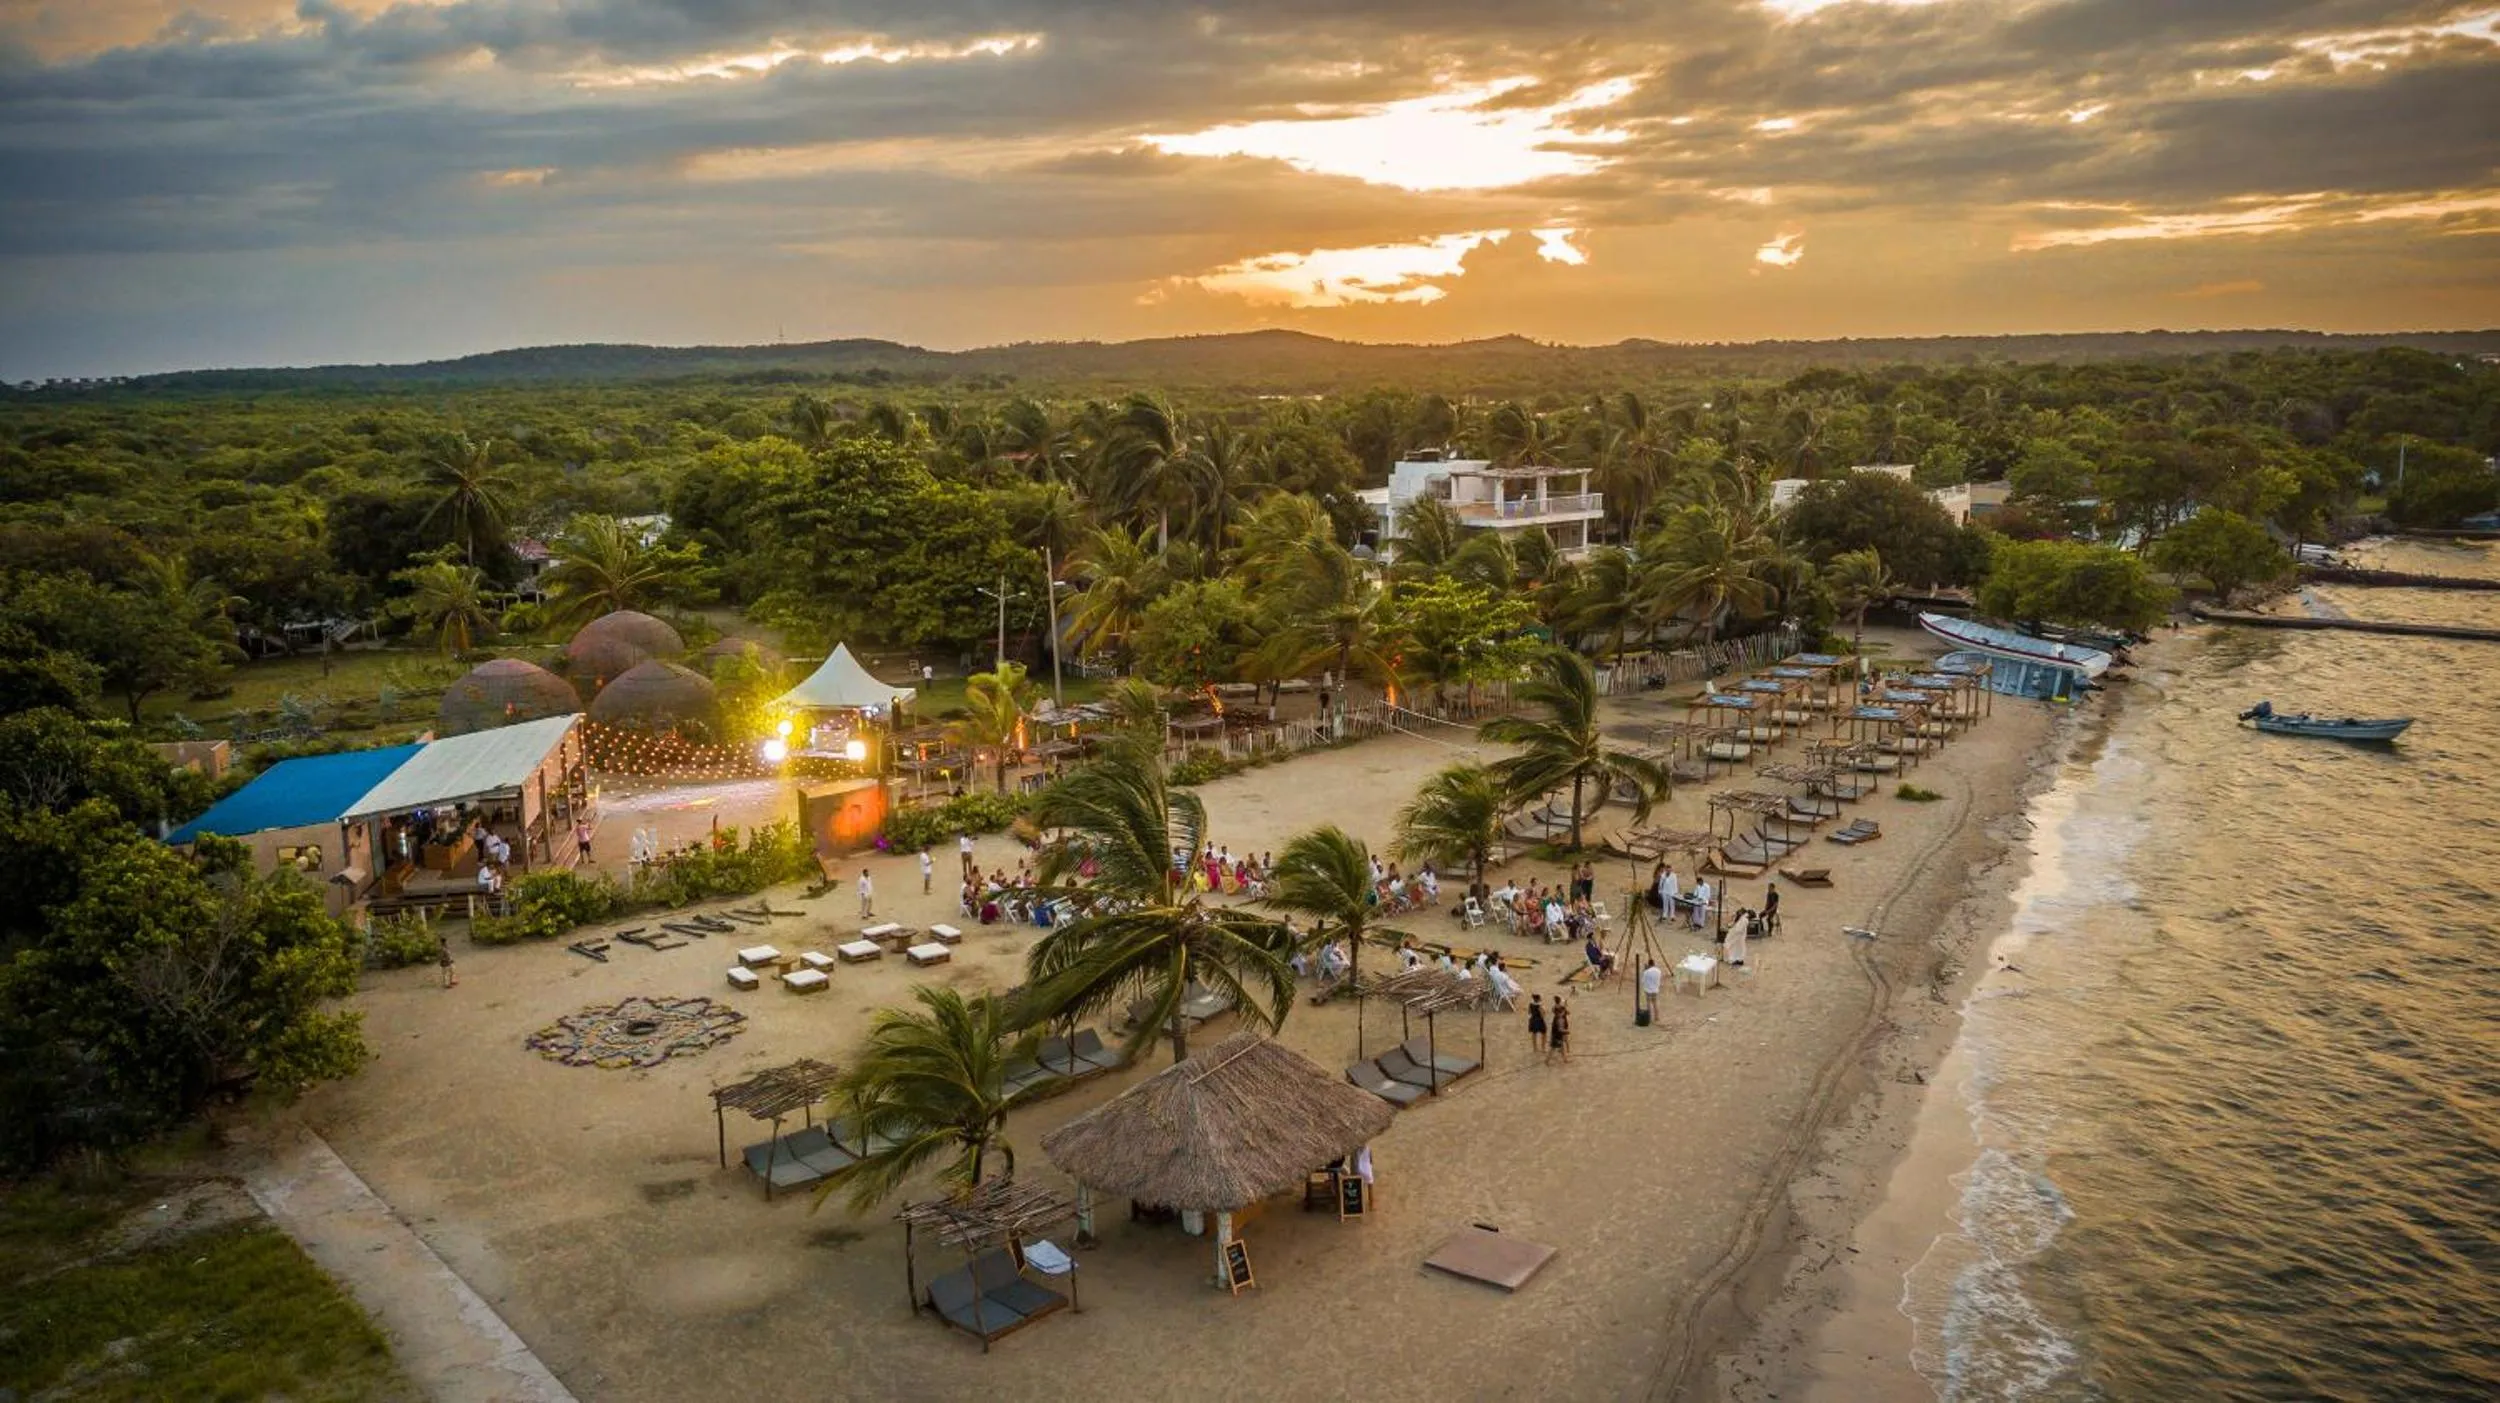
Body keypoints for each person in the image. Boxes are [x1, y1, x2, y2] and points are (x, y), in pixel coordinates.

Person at [1548, 997, 1571, 1063]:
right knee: (1553, 1048)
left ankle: (1565, 1059)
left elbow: (1554, 1011)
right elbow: (1560, 1029)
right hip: (1558, 1033)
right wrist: (1567, 1031)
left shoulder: (1554, 1010)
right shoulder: (1560, 1018)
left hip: (1556, 1032)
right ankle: (1547, 1061)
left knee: (1561, 1046)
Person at [1639, 957, 1663, 1021]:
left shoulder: (1646, 972)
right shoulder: (1658, 971)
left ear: (1649, 964)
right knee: (1655, 1003)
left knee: (1648, 1003)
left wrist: (1644, 970)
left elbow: (1642, 981)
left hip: (1648, 990)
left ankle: (1649, 1017)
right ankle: (1656, 1017)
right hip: (1655, 989)